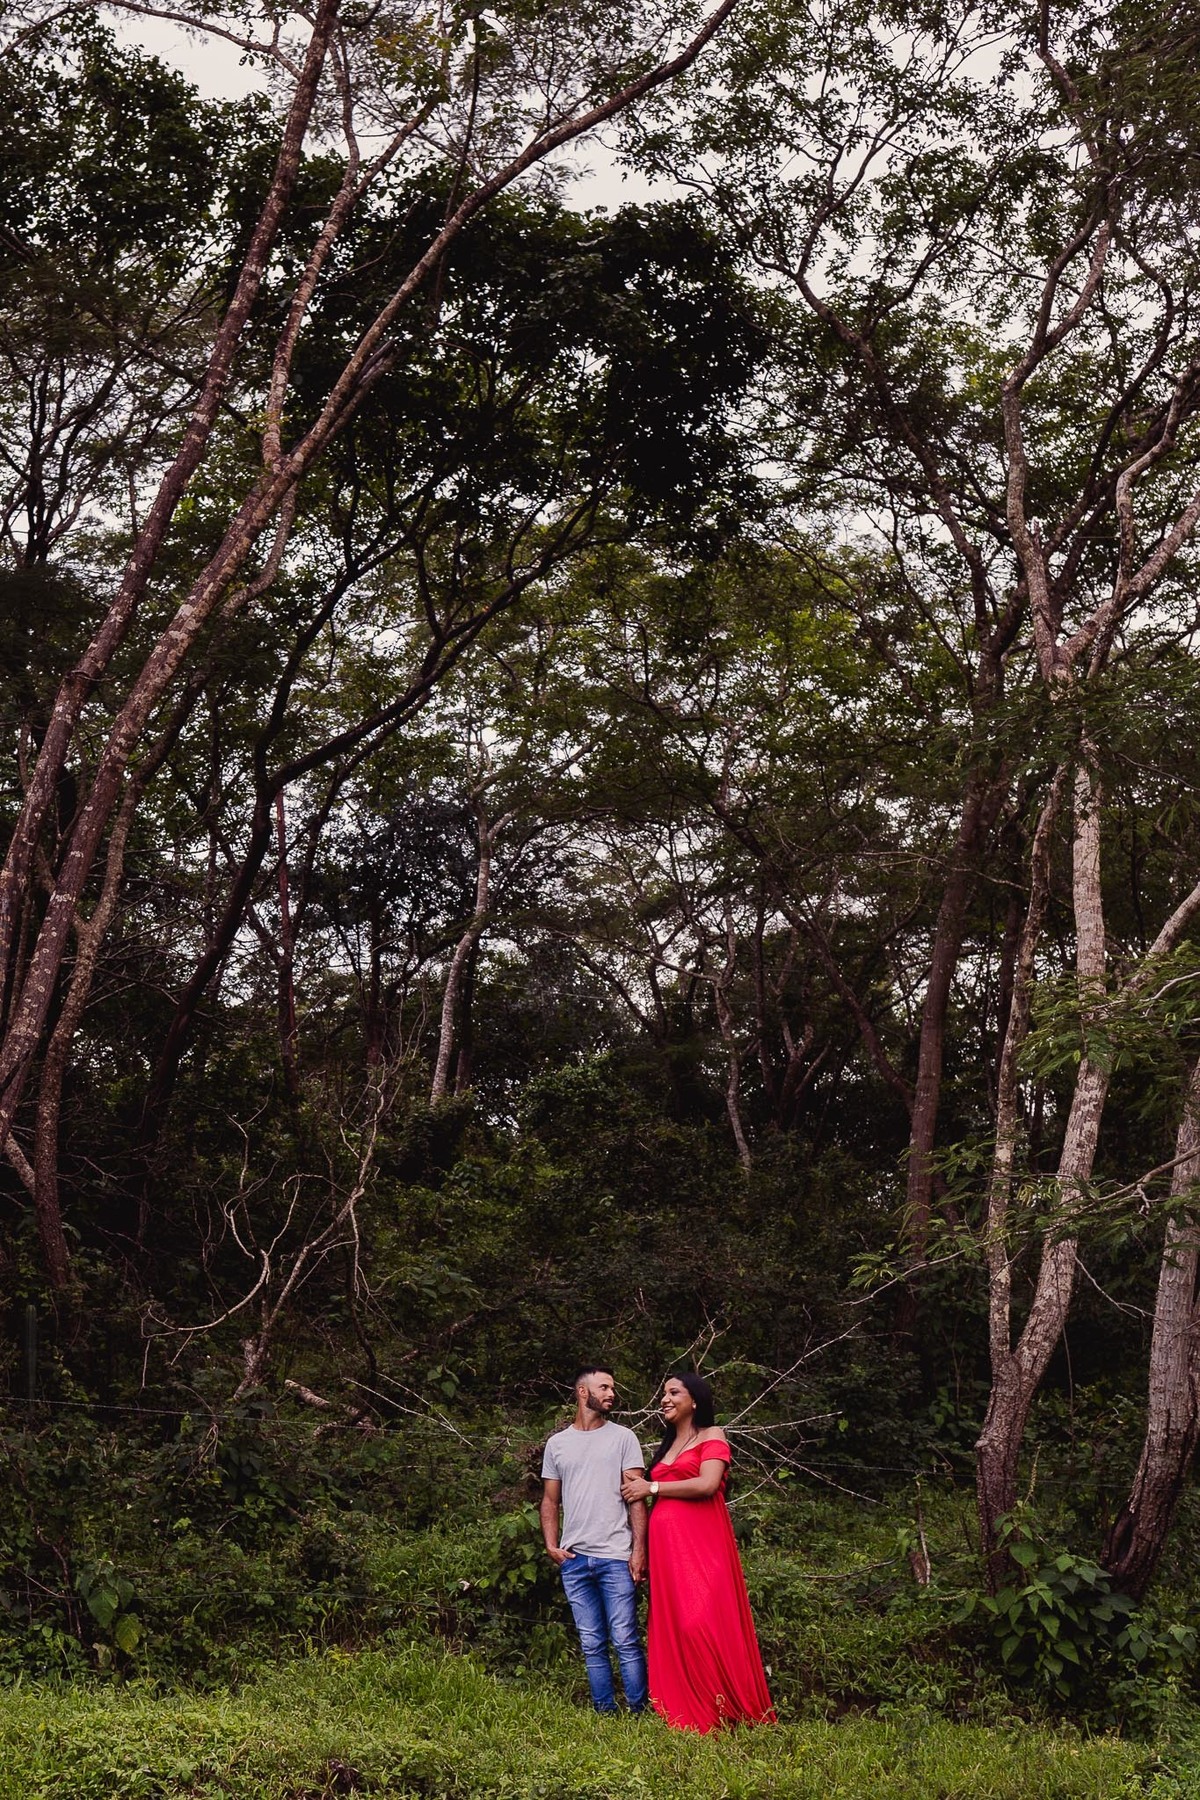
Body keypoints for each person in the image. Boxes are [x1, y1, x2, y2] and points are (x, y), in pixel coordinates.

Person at [621, 1371, 775, 1733]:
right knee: (674, 1623)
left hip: (703, 1545)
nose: (665, 1399)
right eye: (663, 1393)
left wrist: (653, 1486)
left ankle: (720, 1707)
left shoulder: (712, 1435)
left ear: (695, 1399)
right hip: (667, 1551)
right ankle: (685, 1706)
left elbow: (707, 1484)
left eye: (674, 1392)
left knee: (699, 1622)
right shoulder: (667, 1444)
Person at [540, 1362, 649, 1715]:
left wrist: (638, 1551)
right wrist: (551, 1545)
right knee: (591, 1642)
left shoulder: (623, 1438)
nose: (611, 1394)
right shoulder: (558, 1444)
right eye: (604, 1387)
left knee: (625, 1640)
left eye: (612, 1388)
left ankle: (638, 1711)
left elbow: (636, 1497)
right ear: (582, 1392)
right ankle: (605, 1712)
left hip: (616, 1557)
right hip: (574, 1560)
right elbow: (550, 1500)